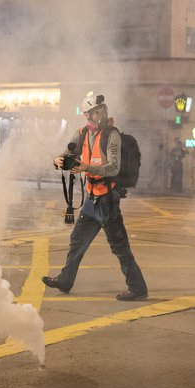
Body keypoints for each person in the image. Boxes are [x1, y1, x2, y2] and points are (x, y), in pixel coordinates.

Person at [42, 92, 148, 301]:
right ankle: (66, 280)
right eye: (95, 112)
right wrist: (58, 161)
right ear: (87, 116)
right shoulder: (81, 134)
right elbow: (65, 155)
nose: (99, 115)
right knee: (76, 241)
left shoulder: (112, 135)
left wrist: (86, 167)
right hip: (92, 199)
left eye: (101, 111)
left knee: (119, 247)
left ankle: (138, 288)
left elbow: (113, 168)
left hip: (108, 199)